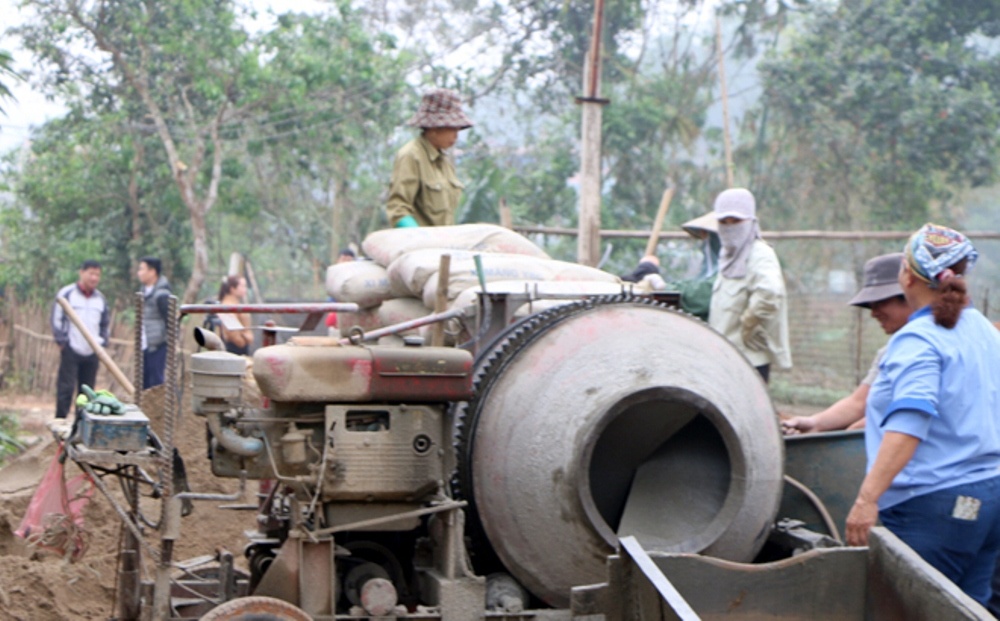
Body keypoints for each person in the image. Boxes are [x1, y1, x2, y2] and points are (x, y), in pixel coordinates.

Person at [845, 223, 1000, 608]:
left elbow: (910, 423)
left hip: (933, 506)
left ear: (908, 276)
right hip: (990, 495)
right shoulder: (981, 328)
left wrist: (867, 499)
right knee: (971, 606)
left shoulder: (917, 340)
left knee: (913, 609)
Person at [782, 253, 911, 435]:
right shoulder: (889, 351)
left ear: (909, 295)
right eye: (870, 305)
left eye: (880, 302)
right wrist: (814, 423)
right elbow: (859, 403)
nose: (873, 313)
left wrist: (865, 426)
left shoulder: (932, 347)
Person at [707, 188, 791, 382]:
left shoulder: (759, 254)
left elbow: (769, 293)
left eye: (736, 221)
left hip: (748, 361)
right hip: (725, 357)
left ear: (751, 222)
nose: (729, 227)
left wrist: (748, 323)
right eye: (723, 222)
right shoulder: (727, 256)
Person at [385, 88, 474, 228]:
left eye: (458, 129)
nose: (456, 135)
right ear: (434, 128)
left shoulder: (445, 162)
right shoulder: (411, 156)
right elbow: (398, 209)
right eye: (452, 128)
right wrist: (420, 237)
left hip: (444, 244)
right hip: (420, 246)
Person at [51, 260, 110, 419]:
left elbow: (105, 324)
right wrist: (62, 342)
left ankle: (81, 424)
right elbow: (57, 319)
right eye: (91, 273)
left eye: (97, 274)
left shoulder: (100, 299)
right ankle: (61, 422)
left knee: (87, 392)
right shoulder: (67, 294)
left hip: (92, 351)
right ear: (82, 273)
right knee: (66, 389)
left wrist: (102, 342)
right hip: (71, 348)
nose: (94, 278)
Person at [137, 256, 172, 389]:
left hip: (158, 345)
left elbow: (170, 321)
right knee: (143, 382)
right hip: (144, 344)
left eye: (142, 269)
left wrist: (167, 341)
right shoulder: (143, 292)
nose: (139, 273)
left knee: (156, 382)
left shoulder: (162, 294)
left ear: (152, 272)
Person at [217, 275, 254, 355]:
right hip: (232, 351)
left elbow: (249, 337)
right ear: (232, 289)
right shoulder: (226, 308)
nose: (245, 289)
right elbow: (237, 340)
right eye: (243, 286)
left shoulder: (237, 306)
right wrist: (245, 335)